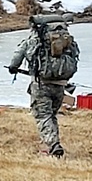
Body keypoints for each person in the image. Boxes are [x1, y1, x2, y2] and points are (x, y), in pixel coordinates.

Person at [8, 15, 79, 157]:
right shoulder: (67, 40)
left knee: (43, 115)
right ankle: (53, 143)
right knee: (51, 115)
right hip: (60, 84)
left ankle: (53, 144)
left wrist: (13, 67)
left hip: (41, 84)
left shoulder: (34, 40)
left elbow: (17, 57)